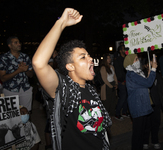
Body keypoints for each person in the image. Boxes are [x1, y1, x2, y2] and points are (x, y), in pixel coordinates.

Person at [32, 8, 112, 150]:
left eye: (88, 55)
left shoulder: (90, 90)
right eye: (83, 57)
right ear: (70, 66)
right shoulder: (64, 90)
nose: (90, 59)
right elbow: (39, 63)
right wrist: (61, 22)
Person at [123, 54, 157, 150]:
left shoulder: (137, 72)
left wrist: (150, 74)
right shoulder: (131, 74)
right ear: (130, 62)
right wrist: (154, 69)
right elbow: (148, 83)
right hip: (138, 107)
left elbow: (144, 83)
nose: (138, 61)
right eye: (136, 59)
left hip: (142, 106)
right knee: (138, 135)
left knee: (141, 133)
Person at [0, 36, 33, 111]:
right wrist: (18, 71)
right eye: (16, 43)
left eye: (19, 42)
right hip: (10, 90)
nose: (19, 44)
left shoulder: (25, 57)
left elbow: (31, 75)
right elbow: (3, 78)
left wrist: (26, 70)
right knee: (12, 115)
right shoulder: (3, 58)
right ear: (10, 45)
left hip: (25, 89)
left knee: (26, 112)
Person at [143, 58, 163, 150]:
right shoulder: (143, 75)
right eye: (149, 64)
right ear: (146, 66)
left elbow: (160, 90)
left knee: (156, 123)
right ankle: (145, 141)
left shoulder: (158, 76)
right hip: (147, 103)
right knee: (146, 124)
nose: (151, 65)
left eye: (153, 63)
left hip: (156, 103)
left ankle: (155, 141)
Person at [113, 45, 129, 120]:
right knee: (122, 97)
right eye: (123, 49)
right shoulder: (118, 60)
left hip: (127, 81)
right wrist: (122, 80)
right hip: (122, 82)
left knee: (126, 97)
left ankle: (124, 112)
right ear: (120, 51)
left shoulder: (126, 58)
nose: (125, 50)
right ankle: (117, 113)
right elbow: (118, 72)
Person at [100, 53, 118, 118]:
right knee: (107, 101)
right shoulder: (103, 68)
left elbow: (114, 76)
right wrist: (111, 86)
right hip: (107, 86)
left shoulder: (112, 67)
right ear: (105, 59)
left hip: (112, 83)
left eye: (110, 58)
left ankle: (112, 114)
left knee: (113, 100)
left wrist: (116, 84)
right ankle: (105, 115)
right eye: (108, 58)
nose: (109, 59)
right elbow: (104, 79)